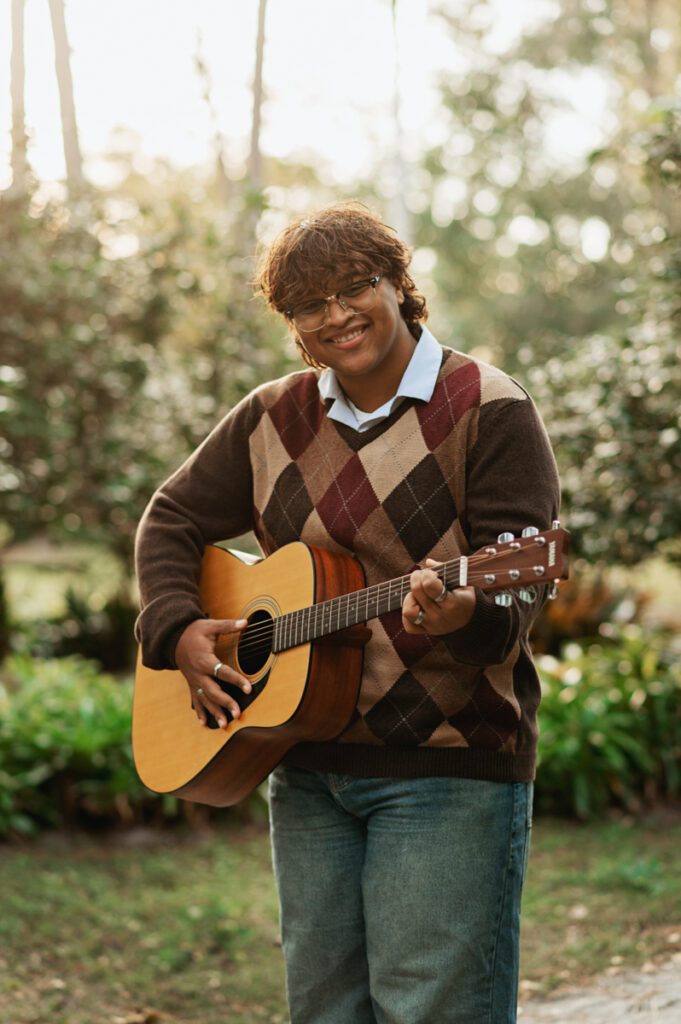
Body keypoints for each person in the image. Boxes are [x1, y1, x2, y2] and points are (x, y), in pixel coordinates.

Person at [134, 200, 560, 1024]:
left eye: (354, 287)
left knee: (432, 1011)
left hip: (446, 766)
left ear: (399, 286)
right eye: (307, 304)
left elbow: (514, 594)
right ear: (291, 324)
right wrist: (177, 627)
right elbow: (171, 515)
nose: (334, 315)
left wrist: (463, 612)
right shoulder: (268, 415)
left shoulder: (489, 406)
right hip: (300, 759)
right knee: (323, 1011)